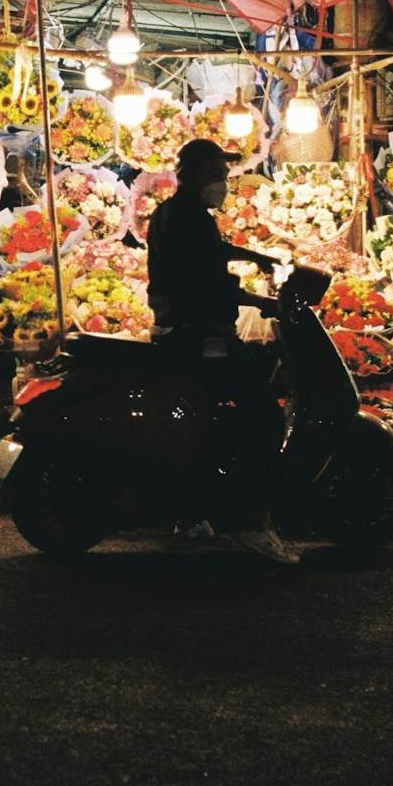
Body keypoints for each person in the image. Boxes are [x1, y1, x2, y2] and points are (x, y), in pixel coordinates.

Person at [146, 138, 294, 564]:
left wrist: (254, 255)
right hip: (198, 335)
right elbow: (204, 282)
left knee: (207, 420)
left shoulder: (182, 213)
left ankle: (192, 511)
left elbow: (212, 255)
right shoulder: (187, 218)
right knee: (264, 415)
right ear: (190, 176)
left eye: (223, 177)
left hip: (183, 332)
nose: (222, 184)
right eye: (215, 176)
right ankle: (254, 523)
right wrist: (262, 302)